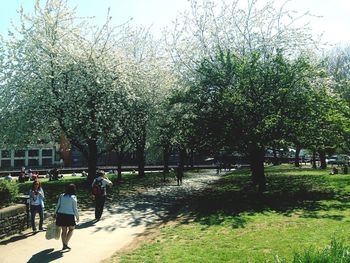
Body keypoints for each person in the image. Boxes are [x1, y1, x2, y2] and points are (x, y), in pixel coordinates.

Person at [54, 184, 79, 250]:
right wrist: (77, 217)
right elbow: (75, 208)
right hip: (69, 215)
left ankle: (64, 244)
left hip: (61, 214)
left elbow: (58, 205)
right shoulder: (73, 197)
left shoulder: (62, 195)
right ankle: (65, 243)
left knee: (64, 230)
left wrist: (54, 212)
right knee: (71, 229)